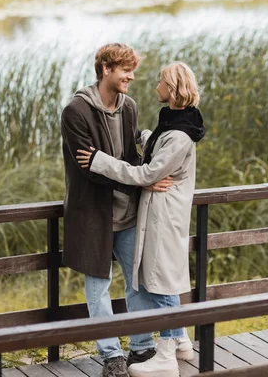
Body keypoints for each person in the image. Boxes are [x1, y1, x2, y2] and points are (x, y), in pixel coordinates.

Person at [77, 61, 205, 377]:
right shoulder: (176, 124)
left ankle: (166, 357)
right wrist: (139, 134)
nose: (155, 86)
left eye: (161, 82)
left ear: (172, 89)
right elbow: (159, 146)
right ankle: (179, 342)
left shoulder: (179, 135)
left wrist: (99, 161)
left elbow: (148, 171)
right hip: (160, 215)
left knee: (160, 282)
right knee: (163, 278)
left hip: (163, 218)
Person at [60, 43, 173, 377]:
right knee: (98, 286)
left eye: (133, 70)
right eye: (126, 70)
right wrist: (141, 181)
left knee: (137, 282)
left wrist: (145, 173)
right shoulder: (76, 112)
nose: (131, 76)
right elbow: (89, 170)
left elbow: (130, 159)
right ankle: (112, 356)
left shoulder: (130, 107)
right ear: (106, 68)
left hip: (128, 214)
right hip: (92, 215)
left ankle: (141, 348)